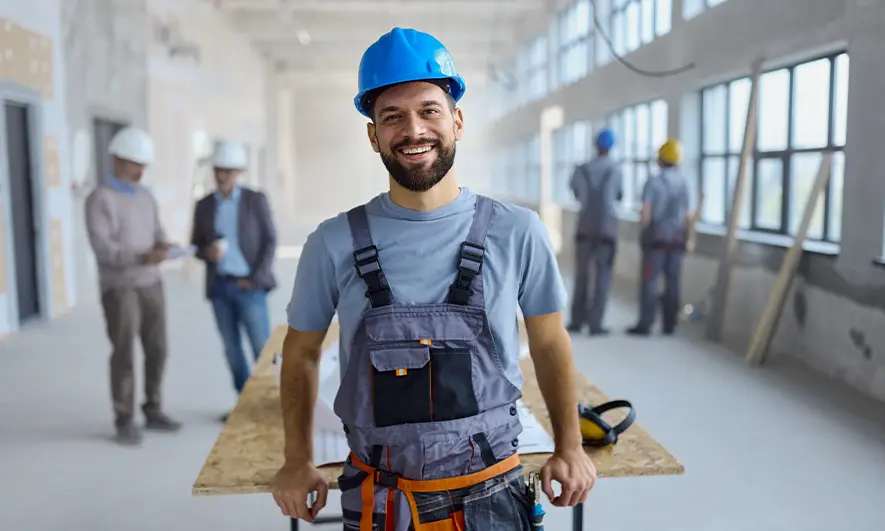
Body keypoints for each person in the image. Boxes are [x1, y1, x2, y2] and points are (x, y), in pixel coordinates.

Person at [271, 28, 596, 531]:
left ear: (457, 121)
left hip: (495, 496)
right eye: (392, 117)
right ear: (373, 135)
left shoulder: (516, 231)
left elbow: (549, 341)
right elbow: (301, 353)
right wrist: (297, 460)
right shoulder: (332, 243)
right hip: (382, 499)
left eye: (429, 110)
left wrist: (570, 446)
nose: (413, 130)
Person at [85, 126, 181, 446]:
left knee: (158, 349)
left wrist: (164, 245)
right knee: (124, 351)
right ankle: (124, 418)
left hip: (151, 283)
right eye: (134, 163)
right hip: (120, 287)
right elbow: (104, 250)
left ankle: (153, 409)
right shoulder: (100, 198)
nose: (140, 170)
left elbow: (157, 231)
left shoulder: (145, 196)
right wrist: (144, 256)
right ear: (116, 159)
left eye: (143, 164)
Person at [191, 140, 277, 398]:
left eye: (228, 171)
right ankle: (244, 403)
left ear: (239, 173)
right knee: (231, 349)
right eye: (218, 169)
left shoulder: (255, 200)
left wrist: (254, 279)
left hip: (250, 287)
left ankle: (272, 404)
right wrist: (207, 252)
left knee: (262, 349)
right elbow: (195, 245)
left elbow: (270, 241)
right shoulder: (204, 205)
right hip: (219, 287)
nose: (221, 176)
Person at [627, 138, 691, 336]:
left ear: (661, 159)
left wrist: (643, 231)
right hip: (677, 240)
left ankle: (645, 324)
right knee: (673, 282)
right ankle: (669, 325)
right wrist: (689, 237)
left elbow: (646, 212)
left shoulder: (654, 182)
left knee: (650, 281)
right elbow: (688, 215)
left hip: (655, 240)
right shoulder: (685, 183)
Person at [567, 129, 623, 336]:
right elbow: (617, 196)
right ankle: (595, 324)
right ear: (611, 147)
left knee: (581, 275)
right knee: (602, 276)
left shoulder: (581, 169)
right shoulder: (616, 170)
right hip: (606, 230)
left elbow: (575, 193)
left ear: (595, 145)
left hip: (584, 228)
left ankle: (577, 321)